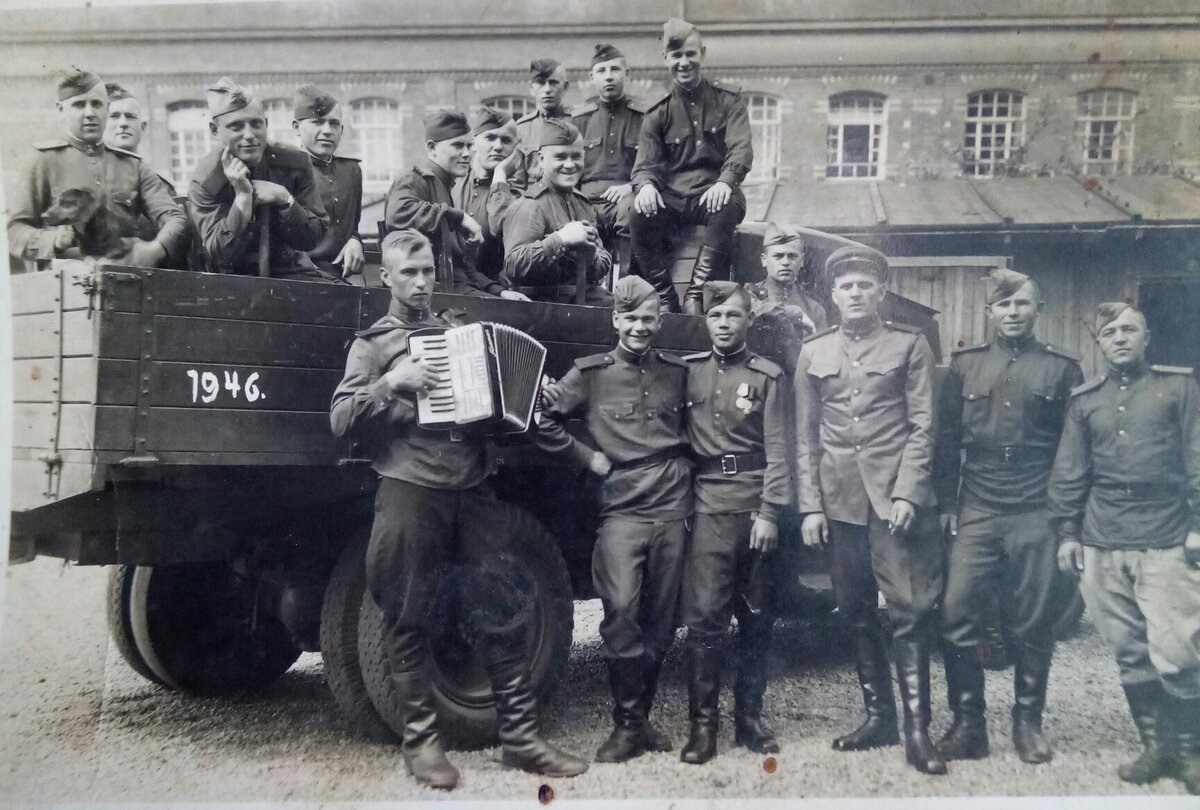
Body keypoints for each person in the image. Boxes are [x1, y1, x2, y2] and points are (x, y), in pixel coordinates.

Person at [329, 228, 589, 790]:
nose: (420, 283)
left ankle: (520, 738)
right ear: (386, 278)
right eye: (408, 274)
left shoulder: (456, 331)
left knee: (499, 604)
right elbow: (342, 419)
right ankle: (420, 741)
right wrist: (394, 383)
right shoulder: (373, 346)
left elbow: (489, 405)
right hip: (410, 487)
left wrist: (513, 403)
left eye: (427, 272)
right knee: (407, 611)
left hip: (470, 484)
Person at [794, 245, 946, 775]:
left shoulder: (909, 345)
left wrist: (908, 492)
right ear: (832, 296)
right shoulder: (813, 352)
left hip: (893, 502)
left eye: (865, 285)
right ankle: (878, 718)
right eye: (845, 287)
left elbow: (925, 427)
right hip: (840, 505)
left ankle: (918, 733)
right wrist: (810, 506)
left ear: (881, 292)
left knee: (906, 611)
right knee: (856, 611)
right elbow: (806, 438)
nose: (855, 294)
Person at [932, 269, 1083, 766]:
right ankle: (968, 725)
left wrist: (1064, 521)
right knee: (956, 612)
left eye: (1022, 304)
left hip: (1035, 507)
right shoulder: (964, 366)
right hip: (977, 505)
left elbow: (1071, 451)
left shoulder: (1062, 369)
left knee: (1033, 620)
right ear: (989, 313)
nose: (1013, 313)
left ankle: (1027, 725)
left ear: (1038, 310)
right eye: (1003, 306)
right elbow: (947, 442)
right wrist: (949, 505)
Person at [536, 275, 690, 762]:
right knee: (621, 611)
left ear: (660, 321)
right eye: (630, 319)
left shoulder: (678, 372)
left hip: (672, 504)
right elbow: (539, 418)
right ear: (614, 321)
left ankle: (639, 722)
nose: (639, 328)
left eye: (648, 319)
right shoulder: (590, 373)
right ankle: (625, 726)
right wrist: (586, 458)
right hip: (622, 506)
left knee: (662, 621)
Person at [1048, 302, 1200, 795]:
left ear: (1147, 337)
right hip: (1101, 539)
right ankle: (1155, 747)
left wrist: (1198, 526)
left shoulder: (1178, 388)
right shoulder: (1085, 399)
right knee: (1129, 650)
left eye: (1129, 329)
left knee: (1178, 649)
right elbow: (1071, 471)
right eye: (1109, 331)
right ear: (1099, 342)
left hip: (1165, 536)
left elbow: (1197, 456)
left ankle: (1190, 752)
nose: (1119, 338)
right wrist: (1069, 533)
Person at [678, 281, 790, 764]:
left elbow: (781, 450)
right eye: (717, 316)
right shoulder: (687, 374)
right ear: (706, 321)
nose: (724, 324)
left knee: (757, 617)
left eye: (734, 316)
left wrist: (769, 512)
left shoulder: (768, 376)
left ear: (749, 322)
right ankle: (703, 730)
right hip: (706, 508)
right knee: (704, 621)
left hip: (752, 508)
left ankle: (749, 721)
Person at [8, 68, 187, 271]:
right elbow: (15, 230)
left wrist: (155, 249)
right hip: (63, 290)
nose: (90, 113)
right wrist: (54, 241)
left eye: (96, 104)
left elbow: (175, 217)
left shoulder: (134, 165)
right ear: (61, 110)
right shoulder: (42, 161)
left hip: (125, 282)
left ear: (106, 108)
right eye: (78, 105)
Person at [630, 18, 753, 314]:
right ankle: (664, 296)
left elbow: (741, 148)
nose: (684, 63)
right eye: (676, 56)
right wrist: (645, 186)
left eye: (690, 54)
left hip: (713, 193)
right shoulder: (656, 112)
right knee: (637, 214)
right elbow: (644, 164)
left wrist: (725, 181)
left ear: (702, 54)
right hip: (673, 197)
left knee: (729, 205)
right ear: (665, 59)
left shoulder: (729, 101)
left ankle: (696, 295)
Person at [188, 77, 328, 277]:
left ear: (266, 124)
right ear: (215, 130)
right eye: (236, 127)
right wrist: (243, 201)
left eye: (256, 124)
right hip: (229, 281)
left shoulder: (294, 164)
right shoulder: (206, 181)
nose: (249, 135)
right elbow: (219, 254)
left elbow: (313, 237)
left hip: (290, 274)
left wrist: (284, 199)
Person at [383, 108, 523, 299]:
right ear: (432, 148)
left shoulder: (443, 187)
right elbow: (397, 214)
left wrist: (499, 291)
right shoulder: (416, 180)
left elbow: (460, 265)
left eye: (468, 146)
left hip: (453, 289)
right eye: (457, 146)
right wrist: (459, 217)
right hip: (434, 293)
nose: (467, 154)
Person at [502, 117, 613, 305]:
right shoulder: (530, 206)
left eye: (576, 157)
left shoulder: (582, 204)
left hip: (584, 300)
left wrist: (592, 255)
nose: (569, 165)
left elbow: (602, 263)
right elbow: (513, 265)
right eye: (560, 157)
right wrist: (560, 239)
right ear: (541, 159)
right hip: (544, 305)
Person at [570, 43, 645, 276]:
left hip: (626, 197)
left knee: (633, 212)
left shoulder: (645, 118)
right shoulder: (579, 120)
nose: (609, 77)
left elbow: (654, 164)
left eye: (615, 69)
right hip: (586, 199)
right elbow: (569, 168)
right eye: (601, 71)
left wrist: (630, 187)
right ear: (592, 77)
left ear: (627, 73)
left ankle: (626, 286)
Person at [291, 84, 364, 283]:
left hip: (346, 275)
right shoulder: (287, 172)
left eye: (334, 124)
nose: (327, 131)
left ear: (342, 130)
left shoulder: (351, 171)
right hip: (301, 277)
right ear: (297, 128)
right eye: (318, 122)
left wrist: (355, 240)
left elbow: (352, 225)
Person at [454, 106, 525, 290]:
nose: (498, 146)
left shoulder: (516, 194)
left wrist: (500, 175)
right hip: (453, 285)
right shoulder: (455, 182)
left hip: (495, 292)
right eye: (490, 138)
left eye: (506, 140)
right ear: (474, 142)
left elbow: (499, 227)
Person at [745, 222, 828, 376]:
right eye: (778, 256)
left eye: (792, 256)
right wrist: (793, 312)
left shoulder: (814, 309)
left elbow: (822, 360)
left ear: (802, 261)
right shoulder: (750, 294)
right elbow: (744, 307)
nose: (785, 262)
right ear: (764, 259)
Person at [512, 58, 571, 190]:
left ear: (565, 87)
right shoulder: (522, 128)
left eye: (553, 82)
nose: (547, 89)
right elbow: (517, 183)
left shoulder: (578, 122)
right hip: (532, 202)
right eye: (541, 83)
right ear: (531, 88)